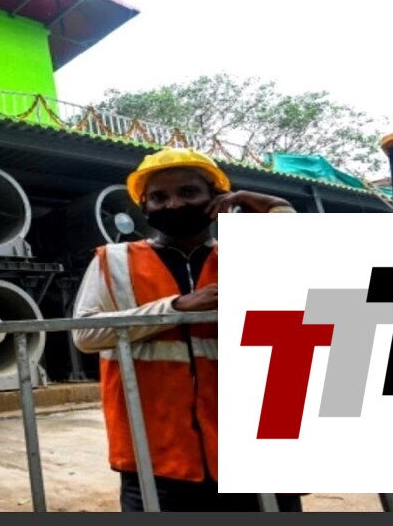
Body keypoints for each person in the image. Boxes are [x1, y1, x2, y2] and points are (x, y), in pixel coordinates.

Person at [71, 148, 303, 512]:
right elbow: (84, 335)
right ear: (144, 207)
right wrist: (176, 307)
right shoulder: (114, 260)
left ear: (217, 198)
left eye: (189, 192)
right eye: (159, 197)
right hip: (155, 452)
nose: (175, 204)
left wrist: (276, 207)